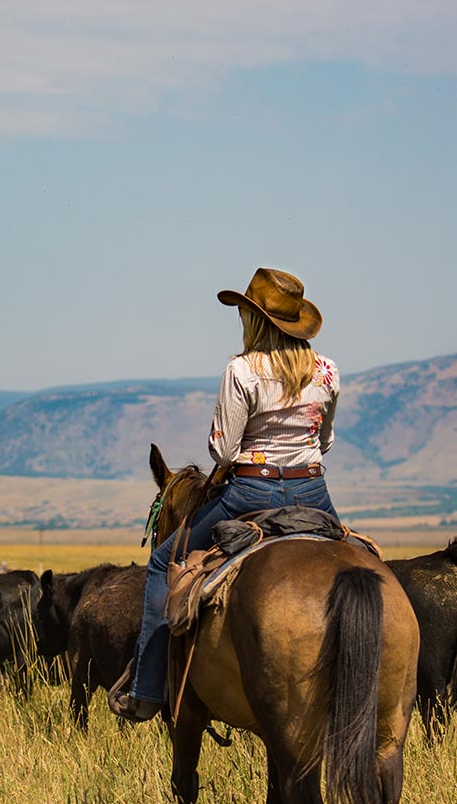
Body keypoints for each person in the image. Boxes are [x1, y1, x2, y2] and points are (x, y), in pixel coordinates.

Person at [109, 267, 341, 723]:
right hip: (314, 491)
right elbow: (326, 441)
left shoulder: (241, 370)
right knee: (363, 559)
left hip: (250, 492)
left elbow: (223, 449)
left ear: (254, 320)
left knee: (161, 563)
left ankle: (148, 690)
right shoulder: (328, 371)